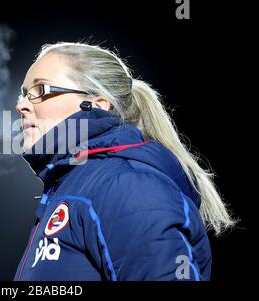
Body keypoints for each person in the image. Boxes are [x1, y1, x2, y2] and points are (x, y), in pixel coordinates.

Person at [13, 42, 236, 281]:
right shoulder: (76, 187)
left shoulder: (127, 185)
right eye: (25, 93)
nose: (21, 105)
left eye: (41, 90)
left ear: (97, 104)